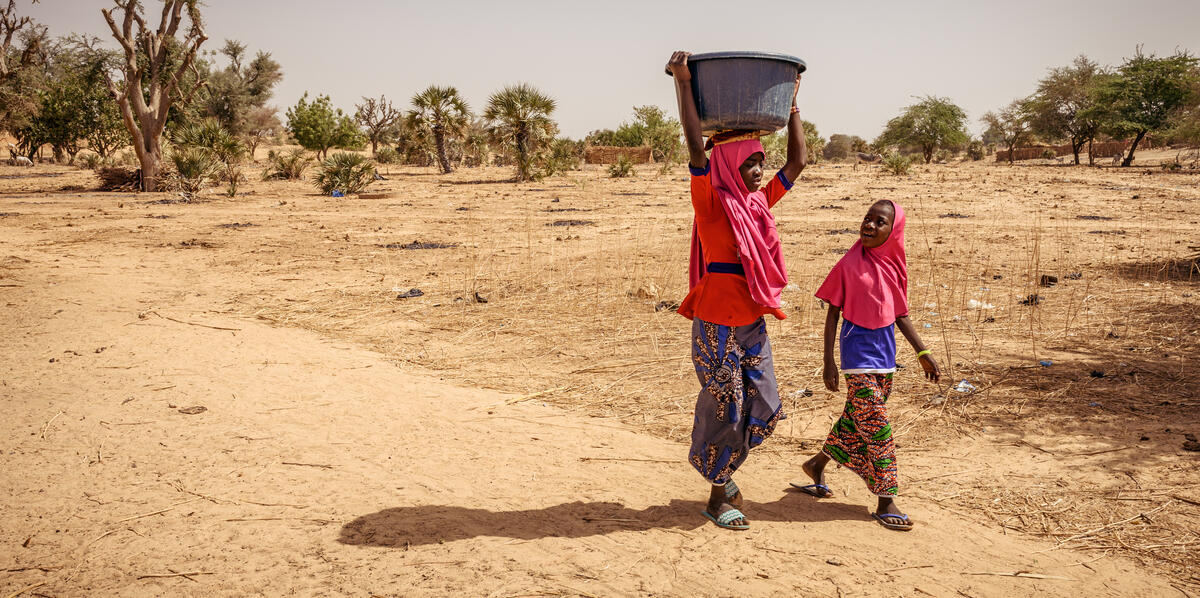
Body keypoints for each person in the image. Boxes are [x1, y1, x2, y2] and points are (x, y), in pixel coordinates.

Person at [666, 50, 807, 531]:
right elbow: (693, 143)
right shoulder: (711, 202)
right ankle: (716, 493)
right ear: (728, 162)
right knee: (727, 406)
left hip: (751, 322)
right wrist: (683, 83)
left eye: (761, 163)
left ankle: (723, 476)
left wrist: (790, 105)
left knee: (765, 407)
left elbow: (799, 160)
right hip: (715, 322)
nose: (760, 172)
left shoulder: (758, 203)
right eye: (751, 163)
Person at [791, 199, 940, 531]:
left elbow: (901, 314)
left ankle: (817, 464)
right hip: (856, 360)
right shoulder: (848, 264)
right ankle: (886, 499)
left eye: (880, 222)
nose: (870, 226)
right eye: (867, 219)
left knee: (853, 422)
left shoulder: (895, 265)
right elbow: (832, 314)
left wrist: (922, 353)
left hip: (886, 362)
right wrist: (828, 362)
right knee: (877, 429)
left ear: (893, 231)